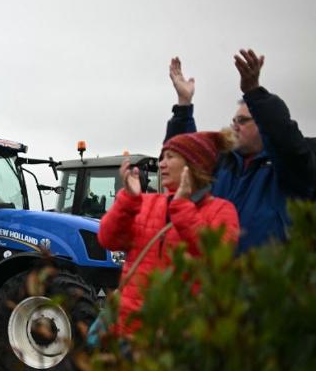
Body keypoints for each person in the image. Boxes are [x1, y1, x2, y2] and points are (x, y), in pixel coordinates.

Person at [166, 49, 316, 254]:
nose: (235, 126)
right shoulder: (222, 164)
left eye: (243, 121)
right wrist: (184, 105)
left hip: (264, 280)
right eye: (233, 121)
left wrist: (254, 92)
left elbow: (285, 139)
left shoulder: (291, 169)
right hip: (218, 279)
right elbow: (183, 159)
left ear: (262, 123)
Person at [98, 131, 240, 336]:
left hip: (180, 337)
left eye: (170, 157)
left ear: (193, 165)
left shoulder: (222, 210)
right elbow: (107, 238)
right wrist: (127, 200)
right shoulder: (146, 203)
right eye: (162, 157)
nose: (161, 164)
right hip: (128, 332)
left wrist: (182, 207)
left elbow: (217, 258)